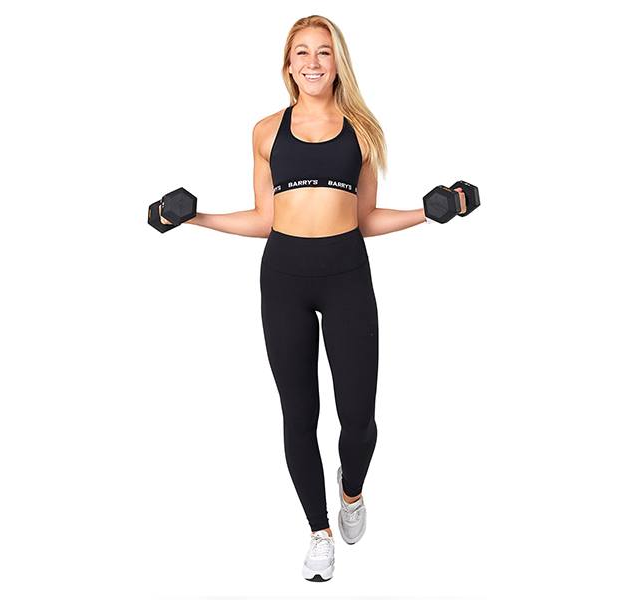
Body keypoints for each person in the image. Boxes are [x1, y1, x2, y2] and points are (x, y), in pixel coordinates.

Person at [155, 15, 468, 582]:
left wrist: (433, 210)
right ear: (288, 64)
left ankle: (352, 491)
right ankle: (318, 531)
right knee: (299, 415)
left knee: (359, 419)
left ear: (337, 61)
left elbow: (366, 218)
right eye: (302, 52)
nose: (313, 62)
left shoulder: (362, 130)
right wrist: (191, 218)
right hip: (284, 278)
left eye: (324, 52)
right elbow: (264, 219)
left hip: (346, 272)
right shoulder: (265, 131)